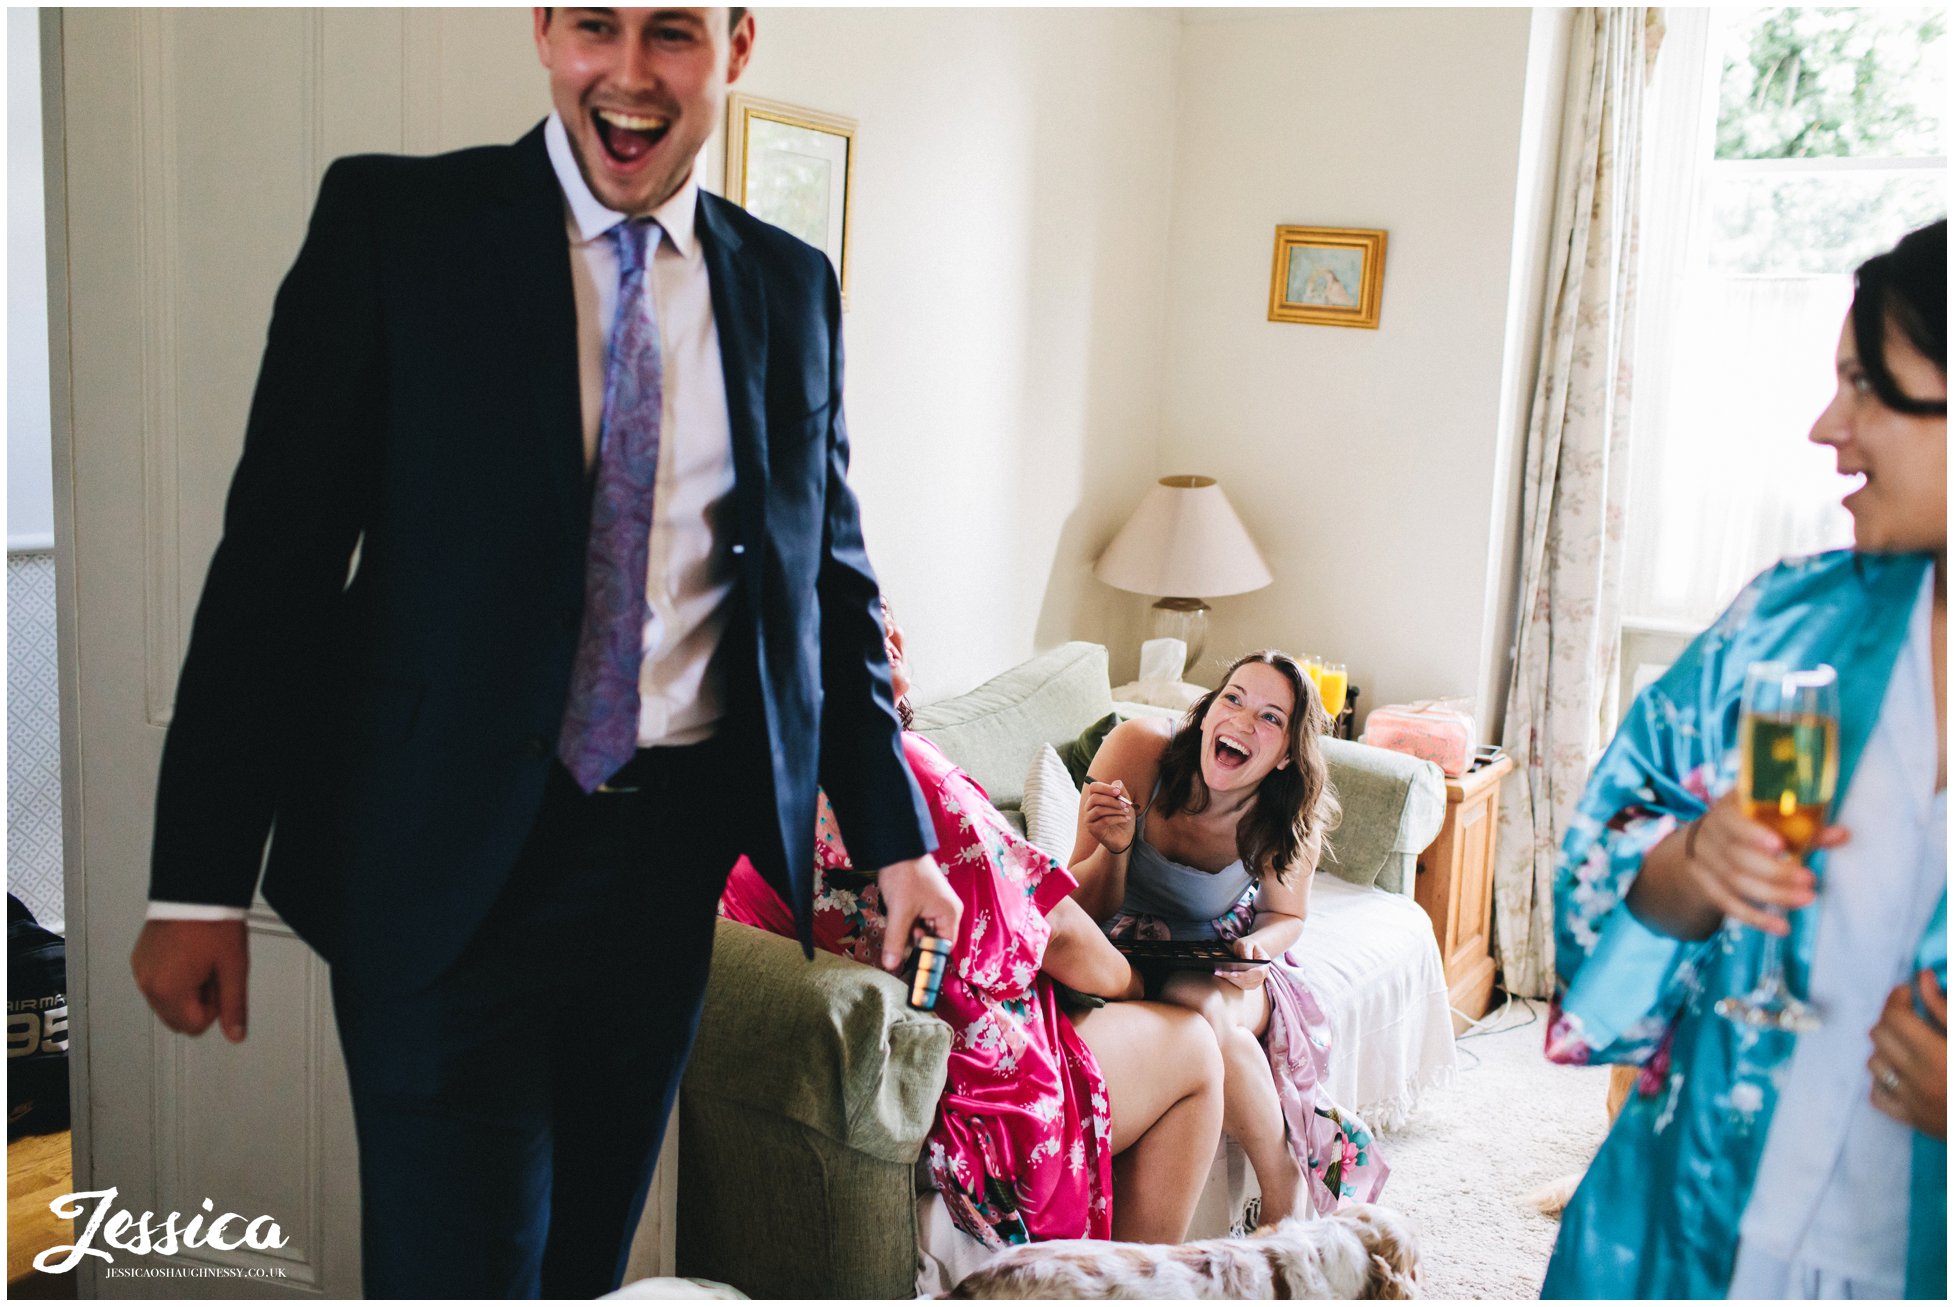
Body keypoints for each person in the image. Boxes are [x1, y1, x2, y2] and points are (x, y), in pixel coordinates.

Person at [127, 9, 961, 1298]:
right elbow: (274, 571)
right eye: (594, 25)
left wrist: (896, 832)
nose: (627, 73)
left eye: (672, 33)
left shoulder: (789, 287)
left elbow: (829, 586)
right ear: (542, 29)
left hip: (665, 875)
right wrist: (197, 881)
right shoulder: (397, 232)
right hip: (439, 869)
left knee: (583, 1266)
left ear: (736, 47)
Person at [1543, 218, 1946, 1299]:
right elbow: (1600, 861)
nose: (1827, 426)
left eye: (1866, 385)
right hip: (1702, 1230)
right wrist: (1685, 871)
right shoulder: (1784, 625)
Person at [721, 604, 1226, 1248]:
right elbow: (1057, 932)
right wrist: (1134, 988)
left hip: (861, 1074)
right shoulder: (902, 776)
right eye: (862, 619)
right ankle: (1131, 1286)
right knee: (1193, 1044)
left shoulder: (743, 780)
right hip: (962, 1094)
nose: (893, 635)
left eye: (889, 616)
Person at [1069, 650, 1387, 1227]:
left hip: (1225, 959)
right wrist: (1114, 850)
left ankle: (1279, 1190)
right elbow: (1080, 906)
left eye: (1270, 717)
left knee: (1194, 1005)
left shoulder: (1285, 813)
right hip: (1119, 941)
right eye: (1233, 698)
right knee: (1158, 1004)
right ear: (1209, 709)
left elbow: (1285, 916)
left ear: (1288, 753)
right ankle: (1288, 1175)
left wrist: (1258, 951)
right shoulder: (1140, 749)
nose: (1243, 720)